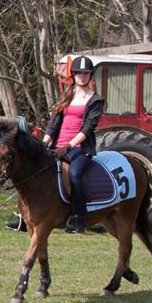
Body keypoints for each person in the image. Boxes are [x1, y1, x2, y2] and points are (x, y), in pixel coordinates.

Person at [43, 55, 105, 234]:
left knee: (75, 175)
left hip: (79, 149)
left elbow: (88, 128)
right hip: (57, 145)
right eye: (79, 73)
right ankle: (25, 215)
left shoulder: (96, 100)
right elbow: (54, 122)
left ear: (90, 76)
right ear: (74, 75)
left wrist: (68, 146)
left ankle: (79, 219)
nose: (82, 76)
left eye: (86, 73)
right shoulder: (66, 95)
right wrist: (45, 142)